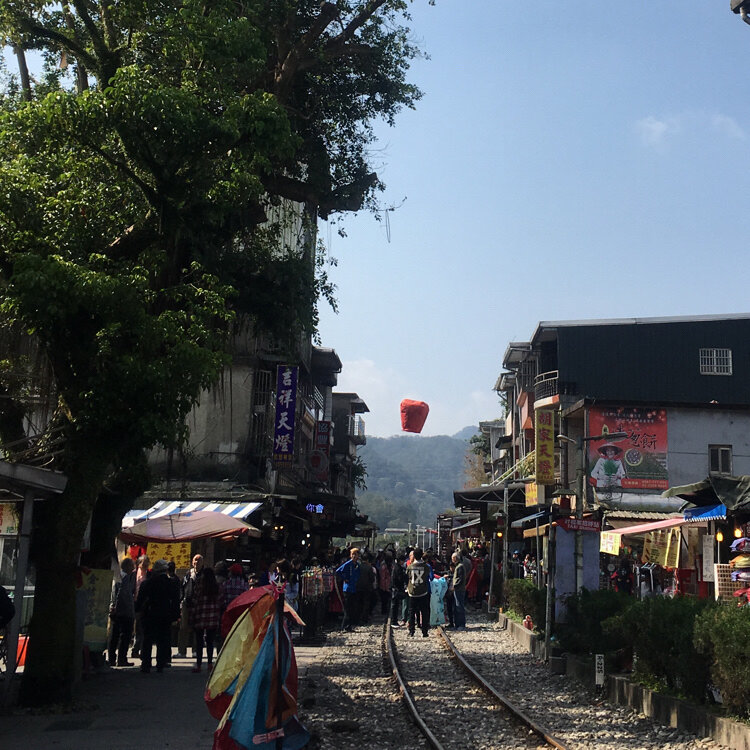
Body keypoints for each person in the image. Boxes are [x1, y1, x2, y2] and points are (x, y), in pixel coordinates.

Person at [136, 559, 180, 673]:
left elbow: (140, 600)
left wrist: (138, 610)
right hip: (165, 614)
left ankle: (146, 664)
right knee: (163, 639)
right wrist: (175, 615)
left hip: (149, 614)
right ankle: (160, 663)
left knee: (147, 640)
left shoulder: (147, 583)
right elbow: (175, 601)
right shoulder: (171, 583)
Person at [190, 566, 221, 673]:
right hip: (212, 617)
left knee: (199, 642)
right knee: (210, 642)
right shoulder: (216, 587)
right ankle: (209, 664)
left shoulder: (199, 585)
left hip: (200, 616)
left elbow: (195, 600)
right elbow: (219, 601)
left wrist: (192, 616)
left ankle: (198, 665)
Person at [108, 557, 136, 667]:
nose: (133, 568)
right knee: (124, 636)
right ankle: (121, 659)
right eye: (132, 565)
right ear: (127, 566)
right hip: (123, 611)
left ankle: (112, 658)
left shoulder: (121, 576)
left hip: (119, 610)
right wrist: (117, 607)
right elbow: (121, 593)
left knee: (115, 636)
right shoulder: (125, 577)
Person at [178, 553, 203, 658]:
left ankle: (195, 650)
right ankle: (181, 651)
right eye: (195, 560)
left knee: (197, 628)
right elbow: (182, 587)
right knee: (183, 627)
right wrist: (181, 599)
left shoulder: (203, 575)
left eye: (199, 560)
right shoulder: (188, 574)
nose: (196, 562)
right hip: (186, 603)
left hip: (198, 604)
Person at [335, 547, 362, 632]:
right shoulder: (348, 564)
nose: (354, 556)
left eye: (356, 554)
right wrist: (345, 578)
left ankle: (349, 625)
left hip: (354, 588)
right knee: (347, 608)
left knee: (352, 608)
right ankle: (344, 626)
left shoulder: (357, 565)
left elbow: (358, 574)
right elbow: (338, 571)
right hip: (347, 589)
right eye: (353, 554)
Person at [406, 547, 431, 637]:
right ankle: (425, 631)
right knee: (424, 612)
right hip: (423, 591)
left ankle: (411, 630)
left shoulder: (410, 567)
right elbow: (427, 576)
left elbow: (408, 576)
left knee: (411, 612)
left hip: (412, 592)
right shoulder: (426, 567)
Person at [131, 554, 150, 659]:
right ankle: (135, 649)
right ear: (139, 564)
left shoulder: (149, 575)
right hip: (134, 603)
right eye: (144, 563)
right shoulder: (133, 574)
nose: (145, 565)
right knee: (135, 628)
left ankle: (139, 650)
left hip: (145, 605)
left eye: (147, 563)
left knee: (142, 628)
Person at [389, 553, 407, 628]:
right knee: (395, 605)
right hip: (396, 589)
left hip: (395, 588)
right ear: (400, 560)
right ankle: (394, 621)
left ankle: (394, 620)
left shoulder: (396, 567)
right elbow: (400, 579)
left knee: (395, 605)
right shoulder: (398, 568)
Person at [451, 552, 467, 630]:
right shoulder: (458, 566)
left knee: (459, 606)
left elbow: (460, 579)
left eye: (452, 558)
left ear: (455, 558)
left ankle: (461, 624)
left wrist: (454, 586)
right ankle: (457, 624)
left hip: (459, 589)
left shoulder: (460, 567)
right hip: (458, 589)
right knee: (457, 606)